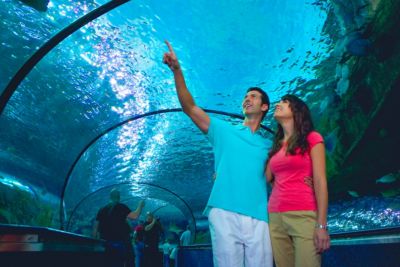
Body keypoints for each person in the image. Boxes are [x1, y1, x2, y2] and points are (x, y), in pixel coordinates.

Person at [163, 40, 273, 267]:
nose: (247, 98)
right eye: (246, 96)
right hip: (223, 211)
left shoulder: (269, 145)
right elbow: (190, 108)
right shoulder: (223, 130)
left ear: (264, 107)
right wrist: (177, 71)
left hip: (259, 215)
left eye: (253, 96)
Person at [265, 94, 330, 267]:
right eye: (279, 101)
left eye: (284, 102)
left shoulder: (312, 138)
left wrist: (322, 226)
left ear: (297, 111)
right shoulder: (277, 147)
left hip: (303, 213)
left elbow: (320, 181)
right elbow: (268, 178)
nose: (278, 104)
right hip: (275, 216)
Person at [93, 189, 145, 267]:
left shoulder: (102, 209)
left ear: (110, 197)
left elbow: (95, 228)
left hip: (106, 243)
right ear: (119, 197)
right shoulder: (121, 207)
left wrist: (95, 242)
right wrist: (140, 205)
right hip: (119, 243)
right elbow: (134, 216)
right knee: (120, 262)